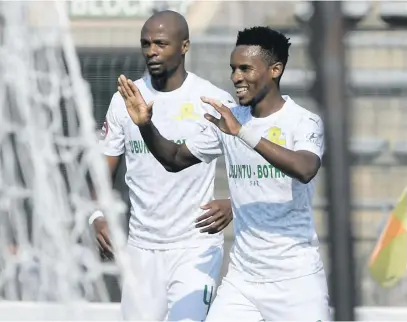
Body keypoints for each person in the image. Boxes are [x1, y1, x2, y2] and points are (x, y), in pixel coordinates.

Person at [117, 26, 331, 321]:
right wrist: (145, 125)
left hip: (296, 279)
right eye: (233, 69)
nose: (236, 78)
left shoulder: (303, 121)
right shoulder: (229, 119)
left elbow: (305, 169)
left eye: (245, 68)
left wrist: (242, 133)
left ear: (275, 70)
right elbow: (174, 158)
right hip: (242, 281)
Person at [91, 10, 237, 321]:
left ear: (184, 46)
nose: (151, 51)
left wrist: (235, 203)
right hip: (142, 247)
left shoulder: (211, 99)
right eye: (146, 44)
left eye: (160, 43)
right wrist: (96, 215)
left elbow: (254, 165)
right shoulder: (124, 101)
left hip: (195, 245)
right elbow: (102, 172)